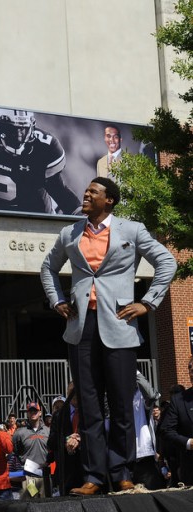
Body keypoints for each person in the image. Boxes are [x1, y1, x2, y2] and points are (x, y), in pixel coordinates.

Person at [40, 176, 177, 495]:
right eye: (86, 191)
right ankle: (94, 477)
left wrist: (148, 302)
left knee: (121, 404)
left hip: (119, 324)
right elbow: (48, 268)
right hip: (81, 328)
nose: (86, 195)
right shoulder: (70, 232)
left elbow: (167, 262)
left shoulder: (132, 230)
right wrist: (57, 300)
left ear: (109, 200)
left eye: (93, 192)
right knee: (88, 406)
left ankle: (122, 472)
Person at [160, 357, 193, 485]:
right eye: (191, 370)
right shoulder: (178, 400)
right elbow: (166, 430)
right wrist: (188, 443)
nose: (192, 373)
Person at [132, 371, 165, 489]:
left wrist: (134, 371)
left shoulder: (140, 396)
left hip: (143, 454)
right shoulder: (118, 396)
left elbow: (152, 396)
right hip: (123, 456)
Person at [12, 402, 50, 498]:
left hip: (45, 475)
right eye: (30, 411)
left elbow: (53, 450)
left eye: (35, 411)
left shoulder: (48, 431)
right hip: (29, 477)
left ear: (40, 413)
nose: (33, 413)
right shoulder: (20, 433)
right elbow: (15, 451)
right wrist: (24, 462)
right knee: (30, 501)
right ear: (27, 414)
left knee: (46, 502)